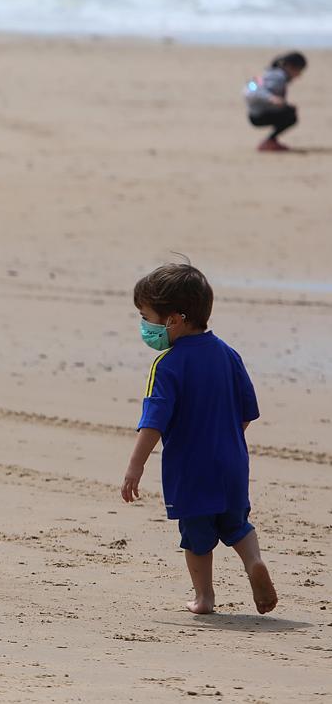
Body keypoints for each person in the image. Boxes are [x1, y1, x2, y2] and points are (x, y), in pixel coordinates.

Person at [120, 263, 277, 615]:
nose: (145, 327)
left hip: (191, 469)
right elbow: (247, 412)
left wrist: (135, 465)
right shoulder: (228, 354)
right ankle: (253, 562)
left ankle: (204, 597)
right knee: (237, 525)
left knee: (197, 536)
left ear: (173, 319)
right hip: (232, 461)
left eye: (147, 317)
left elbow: (153, 422)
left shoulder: (167, 365)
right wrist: (226, 442)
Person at [245, 51, 306, 152]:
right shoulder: (278, 77)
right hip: (258, 115)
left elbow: (252, 83)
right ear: (291, 67)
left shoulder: (273, 73)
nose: (299, 75)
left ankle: (271, 141)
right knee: (290, 115)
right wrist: (270, 98)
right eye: (299, 70)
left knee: (289, 110)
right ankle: (269, 142)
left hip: (256, 112)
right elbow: (251, 89)